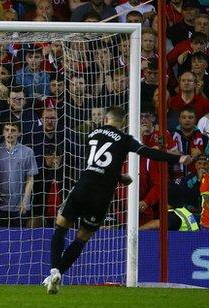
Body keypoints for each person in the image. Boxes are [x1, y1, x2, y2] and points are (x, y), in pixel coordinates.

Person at [43, 107, 193, 295]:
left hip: (84, 187)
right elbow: (149, 153)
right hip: (102, 196)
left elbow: (97, 163)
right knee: (82, 238)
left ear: (106, 118)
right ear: (123, 123)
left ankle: (54, 270)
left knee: (61, 227)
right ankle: (58, 276)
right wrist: (179, 158)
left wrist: (119, 176)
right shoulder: (125, 139)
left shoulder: (92, 134)